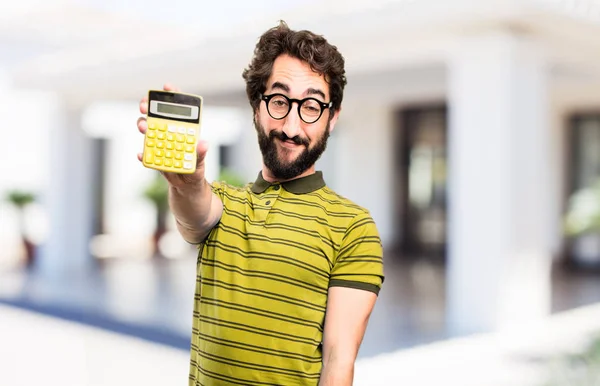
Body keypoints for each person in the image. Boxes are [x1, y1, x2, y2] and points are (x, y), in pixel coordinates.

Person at [136, 20, 384, 386]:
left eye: (312, 106)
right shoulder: (223, 203)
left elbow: (338, 360)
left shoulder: (353, 227)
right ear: (257, 107)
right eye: (279, 101)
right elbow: (197, 213)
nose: (291, 125)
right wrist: (188, 185)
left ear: (332, 117)